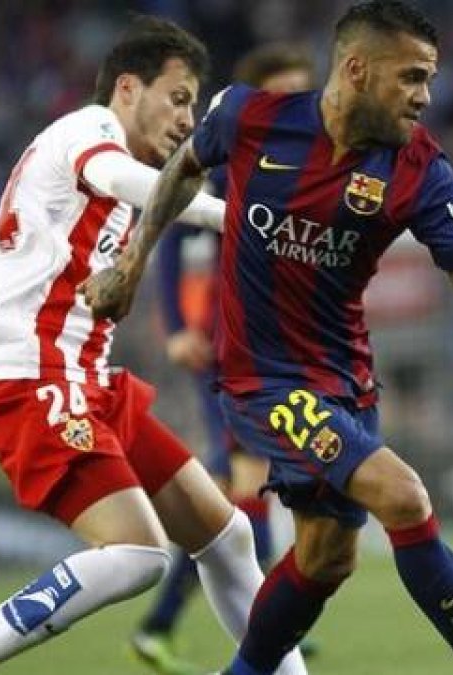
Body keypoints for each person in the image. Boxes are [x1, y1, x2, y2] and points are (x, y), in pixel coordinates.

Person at [81, 2, 453, 673]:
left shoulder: (421, 170)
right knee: (404, 496)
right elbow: (183, 170)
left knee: (326, 556)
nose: (425, 96)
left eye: (428, 79)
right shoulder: (249, 117)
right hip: (262, 379)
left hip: (346, 377)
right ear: (356, 68)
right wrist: (132, 263)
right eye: (411, 77)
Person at [0, 16, 308, 675]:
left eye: (195, 106)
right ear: (126, 87)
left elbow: (18, 268)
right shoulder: (90, 134)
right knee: (138, 555)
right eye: (178, 98)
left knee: (228, 536)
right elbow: (133, 184)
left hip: (69, 382)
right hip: (38, 382)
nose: (187, 119)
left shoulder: (95, 168)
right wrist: (237, 216)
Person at [131, 43, 317, 675]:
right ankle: (269, 635)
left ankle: (167, 626)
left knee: (232, 501)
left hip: (277, 354)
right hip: (227, 354)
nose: (294, 102)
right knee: (250, 495)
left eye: (301, 90)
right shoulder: (223, 165)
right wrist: (179, 326)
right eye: (281, 91)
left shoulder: (310, 166)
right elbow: (169, 235)